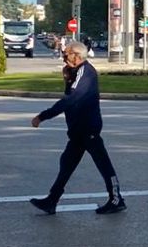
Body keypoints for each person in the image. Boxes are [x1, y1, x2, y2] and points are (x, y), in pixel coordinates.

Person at [29, 39, 124, 215]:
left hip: (88, 129)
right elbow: (71, 95)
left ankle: (116, 199)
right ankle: (52, 200)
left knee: (103, 164)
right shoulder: (76, 72)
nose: (63, 57)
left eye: (66, 54)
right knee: (66, 163)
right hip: (78, 130)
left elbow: (70, 99)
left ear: (77, 55)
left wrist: (43, 116)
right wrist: (67, 78)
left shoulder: (85, 72)